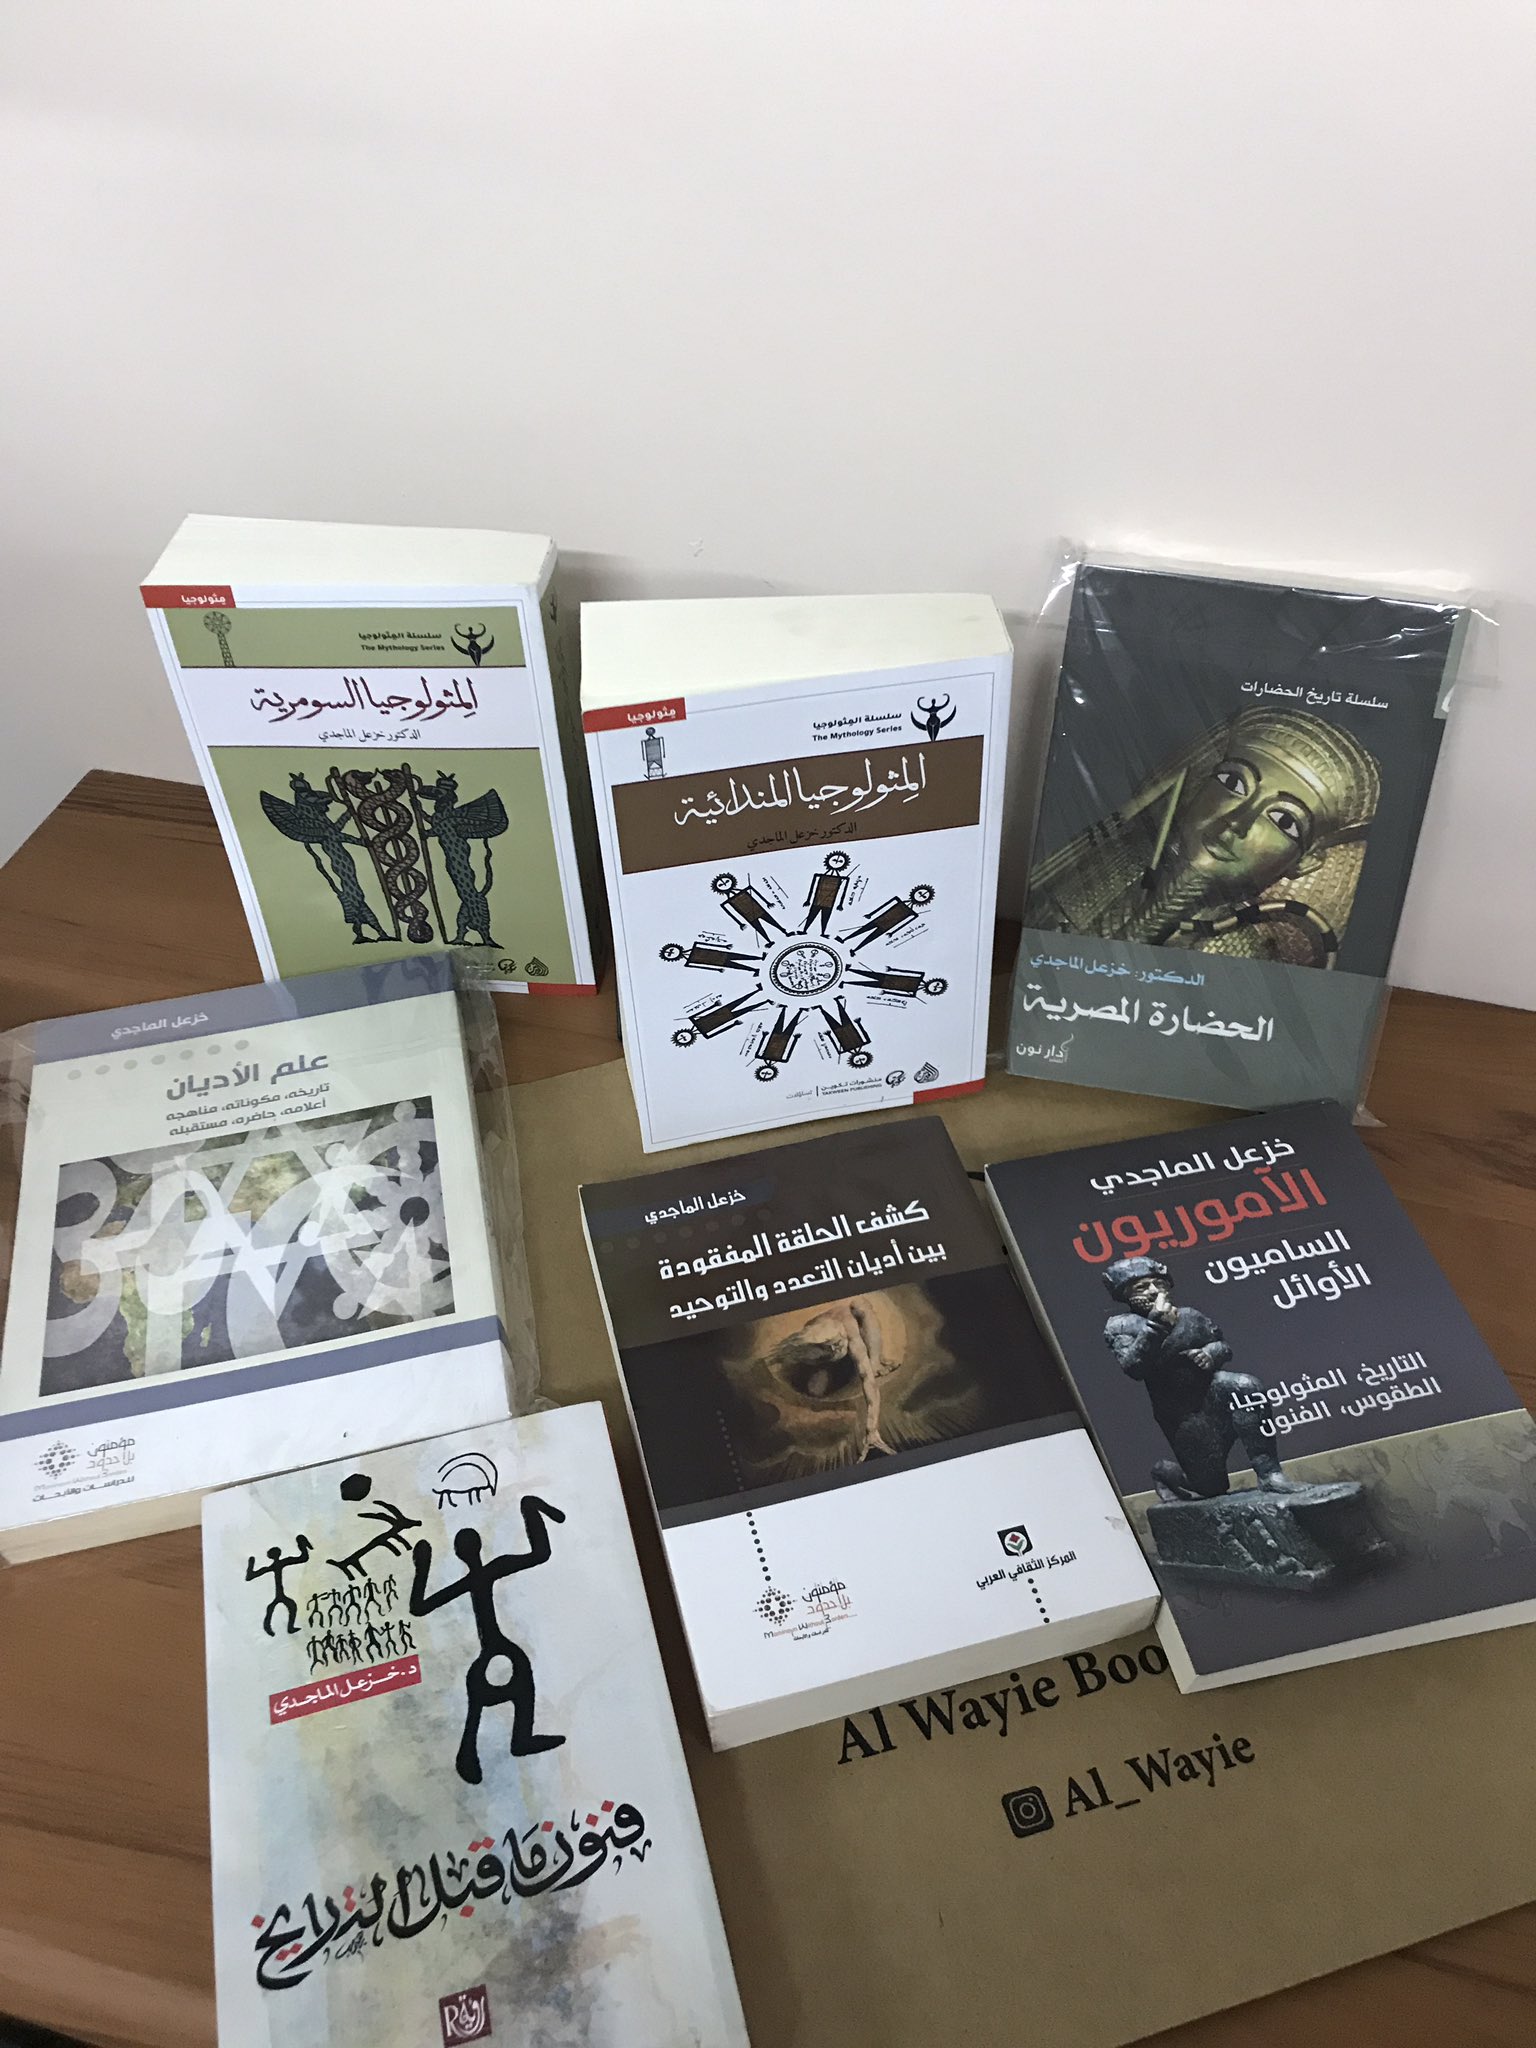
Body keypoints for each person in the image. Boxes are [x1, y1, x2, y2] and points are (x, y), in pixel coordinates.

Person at [1028, 708, 1381, 966]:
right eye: (1234, 783)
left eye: (1284, 821)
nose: (1237, 822)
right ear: (1200, 783)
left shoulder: (1239, 956)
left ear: (1306, 862)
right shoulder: (1112, 865)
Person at [1100, 1257, 1300, 1500]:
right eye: (1142, 1288)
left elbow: (1222, 1346)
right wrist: (1156, 1327)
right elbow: (1134, 1368)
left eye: (1158, 1284)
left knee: (1246, 1387)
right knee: (1210, 1487)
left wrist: (1210, 1354)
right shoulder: (1121, 1326)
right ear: (1126, 1295)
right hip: (1180, 1412)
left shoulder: (1190, 1316)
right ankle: (1165, 1472)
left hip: (1212, 1390)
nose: (1153, 1291)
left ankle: (1269, 1474)